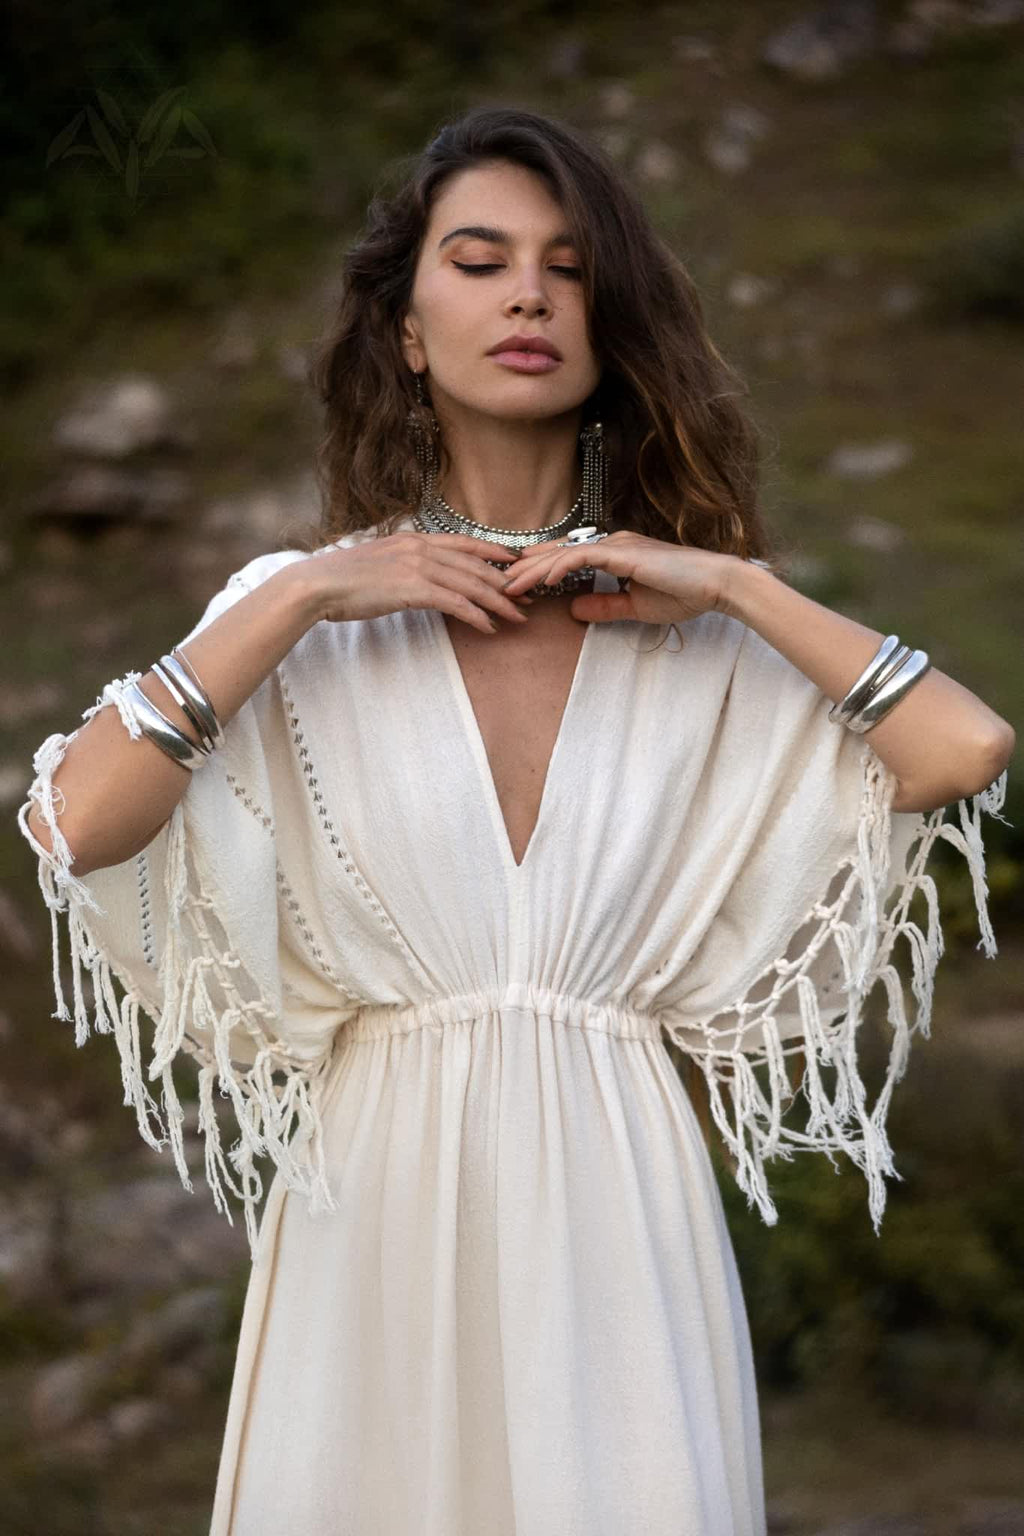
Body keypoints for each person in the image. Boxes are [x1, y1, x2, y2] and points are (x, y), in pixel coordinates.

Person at [17, 106, 1015, 1536]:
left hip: (621, 1211)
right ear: (409, 332)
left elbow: (967, 749)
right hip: (374, 1211)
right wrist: (306, 592)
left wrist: (733, 585)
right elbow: (73, 824)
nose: (531, 293)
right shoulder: (301, 617)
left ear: (612, 325)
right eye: (479, 261)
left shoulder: (700, 637)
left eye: (569, 266)